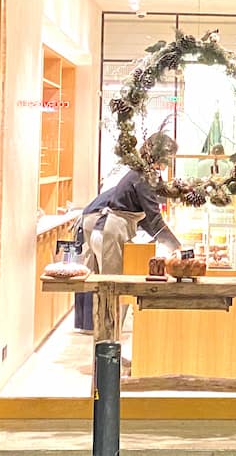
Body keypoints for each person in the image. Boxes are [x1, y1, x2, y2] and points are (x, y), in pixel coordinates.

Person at [74, 132, 182, 332]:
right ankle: (108, 343)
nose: (169, 163)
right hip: (110, 231)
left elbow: (148, 221)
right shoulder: (144, 176)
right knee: (114, 289)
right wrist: (177, 247)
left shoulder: (140, 173)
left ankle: (107, 339)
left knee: (107, 290)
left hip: (105, 230)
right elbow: (154, 220)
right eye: (169, 157)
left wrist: (169, 243)